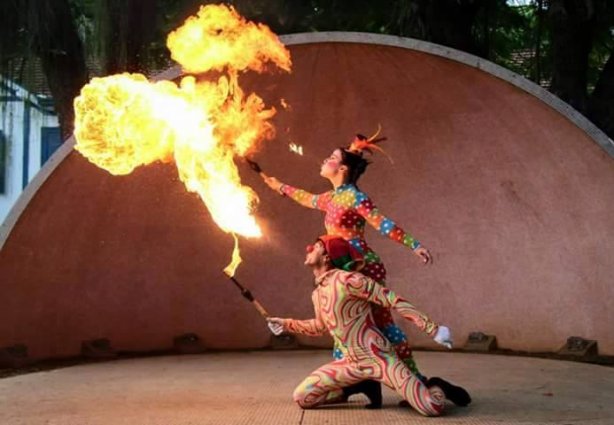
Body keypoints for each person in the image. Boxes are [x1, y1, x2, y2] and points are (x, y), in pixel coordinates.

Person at [262, 131, 431, 396]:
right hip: (338, 271)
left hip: (364, 267)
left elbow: (382, 223)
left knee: (384, 324)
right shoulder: (330, 198)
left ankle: (416, 380)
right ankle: (352, 382)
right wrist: (278, 186)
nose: (324, 160)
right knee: (341, 329)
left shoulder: (355, 197)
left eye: (331, 158)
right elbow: (306, 197)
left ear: (342, 168)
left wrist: (414, 245)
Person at [267, 236, 469, 414]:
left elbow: (392, 300)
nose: (309, 248)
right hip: (350, 363)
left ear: (327, 256)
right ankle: (357, 386)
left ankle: (435, 385)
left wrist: (433, 329)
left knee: (432, 406)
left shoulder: (350, 280)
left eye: (317, 246)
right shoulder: (318, 292)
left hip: (378, 358)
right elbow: (319, 326)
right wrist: (285, 324)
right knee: (303, 398)